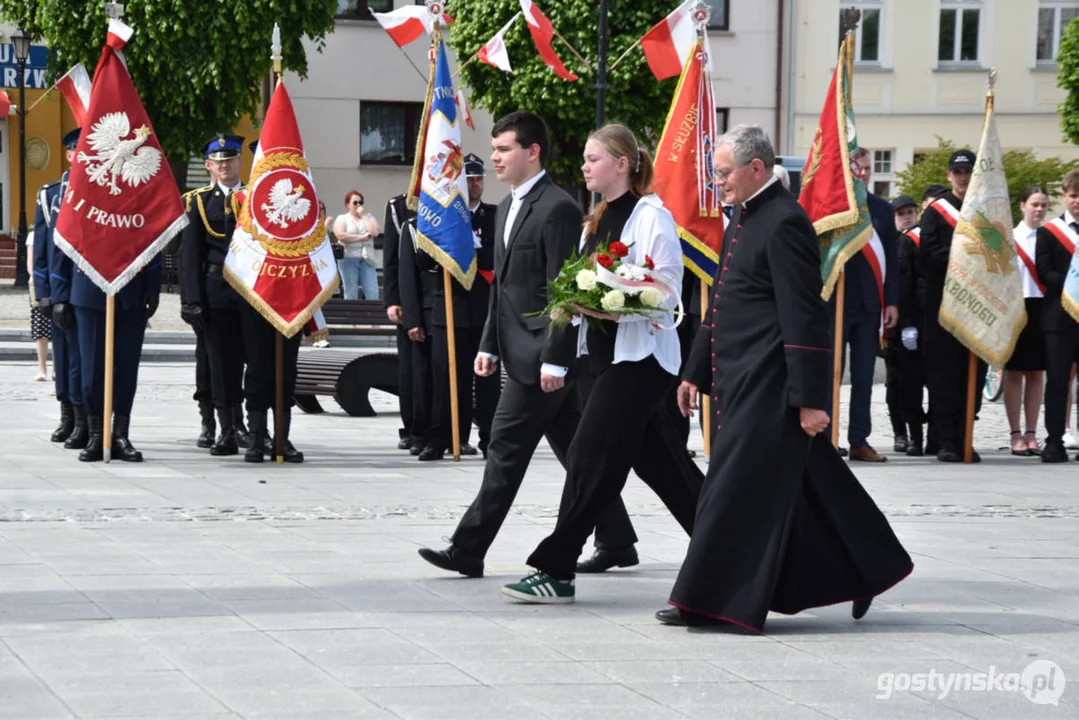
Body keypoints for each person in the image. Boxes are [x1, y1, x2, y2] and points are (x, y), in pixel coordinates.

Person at [657, 124, 912, 630]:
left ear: (756, 169)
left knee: (731, 490)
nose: (718, 183)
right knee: (815, 484)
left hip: (770, 385)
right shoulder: (744, 218)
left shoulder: (785, 222)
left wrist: (811, 399)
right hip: (737, 381)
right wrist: (693, 373)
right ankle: (871, 566)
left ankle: (706, 599)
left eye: (725, 173)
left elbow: (804, 317)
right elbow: (724, 300)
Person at [500, 123, 704, 603]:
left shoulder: (652, 217)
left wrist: (608, 303)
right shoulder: (595, 219)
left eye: (593, 159)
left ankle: (556, 567)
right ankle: (736, 548)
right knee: (664, 468)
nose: (585, 166)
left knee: (590, 457)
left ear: (622, 163)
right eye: (586, 159)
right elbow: (581, 287)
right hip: (604, 359)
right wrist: (576, 309)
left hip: (642, 360)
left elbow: (665, 295)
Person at [417, 111, 583, 578]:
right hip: (514, 349)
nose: (494, 158)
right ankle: (616, 538)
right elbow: (503, 286)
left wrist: (556, 357)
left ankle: (467, 548)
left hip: (541, 361)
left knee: (504, 450)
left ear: (533, 152)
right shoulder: (507, 206)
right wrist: (488, 345)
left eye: (504, 149)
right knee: (581, 456)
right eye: (493, 149)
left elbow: (562, 290)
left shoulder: (559, 208)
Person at [179, 134, 249, 456]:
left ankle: (241, 421)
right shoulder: (197, 201)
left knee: (245, 362)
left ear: (239, 162)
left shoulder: (253, 198)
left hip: (250, 295)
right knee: (216, 363)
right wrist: (191, 301)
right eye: (219, 161)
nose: (225, 166)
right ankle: (222, 426)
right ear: (209, 165)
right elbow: (190, 255)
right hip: (214, 295)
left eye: (230, 160)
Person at [917, 149, 988, 462]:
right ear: (949, 176)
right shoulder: (936, 211)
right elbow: (927, 254)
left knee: (972, 371)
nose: (963, 178)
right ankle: (946, 439)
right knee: (944, 375)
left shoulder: (986, 211)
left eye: (968, 172)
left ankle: (965, 436)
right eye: (957, 172)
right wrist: (963, 256)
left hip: (978, 306)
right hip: (943, 306)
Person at [832, 149, 899, 462]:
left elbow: (892, 261)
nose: (864, 173)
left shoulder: (882, 210)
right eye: (857, 167)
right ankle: (826, 436)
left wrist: (893, 301)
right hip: (836, 304)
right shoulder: (833, 207)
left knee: (863, 376)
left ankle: (859, 438)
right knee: (831, 373)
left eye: (868, 168)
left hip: (871, 304)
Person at [31, 128, 86, 449]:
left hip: (87, 286)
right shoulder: (51, 195)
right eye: (76, 151)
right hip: (59, 288)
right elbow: (41, 252)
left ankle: (82, 417)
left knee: (84, 357)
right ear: (68, 155)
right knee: (65, 356)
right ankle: (67, 414)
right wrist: (46, 294)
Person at [1036, 171, 1079, 463]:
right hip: (1058, 318)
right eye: (1073, 195)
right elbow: (1044, 271)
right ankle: (1054, 440)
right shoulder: (1049, 231)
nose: (1077, 201)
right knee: (1057, 381)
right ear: (1064, 197)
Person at [1005, 187, 1048, 457]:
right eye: (1034, 204)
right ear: (1022, 206)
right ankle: (1015, 433)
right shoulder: (1010, 237)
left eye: (1044, 205)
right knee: (1014, 373)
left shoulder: (1050, 237)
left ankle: (1032, 432)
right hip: (1016, 306)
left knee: (1036, 373)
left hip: (1042, 306)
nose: (1039, 209)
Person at [465, 153, 503, 459]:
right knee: (459, 379)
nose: (474, 184)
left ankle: (489, 437)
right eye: (469, 180)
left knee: (488, 380)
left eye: (478, 179)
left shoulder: (495, 215)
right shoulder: (450, 218)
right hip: (457, 305)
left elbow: (497, 256)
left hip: (488, 305)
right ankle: (457, 436)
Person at [893, 193, 934, 456]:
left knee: (934, 381)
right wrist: (906, 323)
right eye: (901, 213)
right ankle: (914, 438)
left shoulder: (923, 239)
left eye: (910, 212)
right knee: (909, 384)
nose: (907, 216)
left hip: (929, 317)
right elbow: (902, 286)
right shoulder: (897, 242)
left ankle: (935, 437)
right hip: (908, 321)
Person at [383, 193, 419, 451]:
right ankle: (412, 428)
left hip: (438, 298)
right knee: (411, 369)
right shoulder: (399, 206)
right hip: (408, 297)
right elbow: (391, 257)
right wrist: (392, 299)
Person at [334, 191, 381, 301]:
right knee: (351, 292)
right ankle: (350, 317)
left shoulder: (369, 217)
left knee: (372, 293)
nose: (358, 205)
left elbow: (374, 232)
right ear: (348, 205)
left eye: (361, 202)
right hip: (348, 258)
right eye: (355, 202)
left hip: (367, 259)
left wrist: (363, 216)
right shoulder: (342, 218)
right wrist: (363, 237)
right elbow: (341, 235)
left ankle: (372, 316)